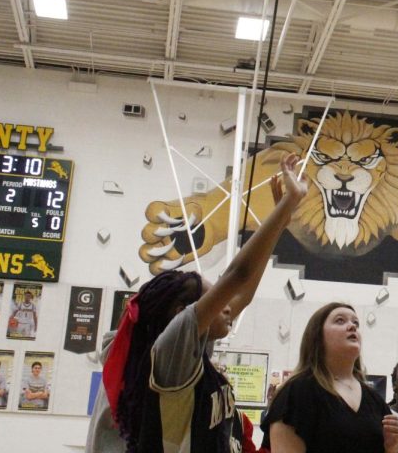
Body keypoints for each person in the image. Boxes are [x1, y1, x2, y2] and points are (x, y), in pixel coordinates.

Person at [86, 152, 308, 453]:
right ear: (183, 314)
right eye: (218, 301)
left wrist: (281, 223)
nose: (229, 306)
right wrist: (283, 207)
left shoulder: (191, 348)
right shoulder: (169, 353)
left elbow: (243, 293)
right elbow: (238, 275)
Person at [261, 302, 398, 453]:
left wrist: (392, 448)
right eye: (340, 320)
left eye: (356, 323)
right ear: (317, 335)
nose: (352, 326)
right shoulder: (296, 391)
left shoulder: (375, 400)